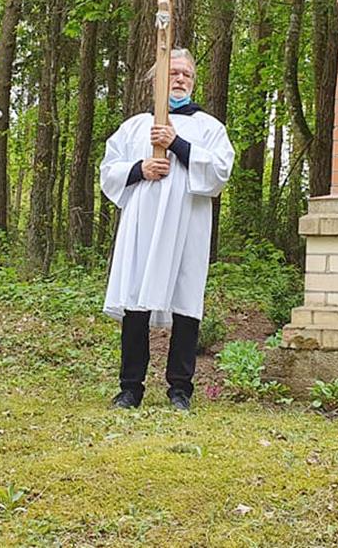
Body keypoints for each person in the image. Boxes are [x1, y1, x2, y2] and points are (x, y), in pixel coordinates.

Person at [99, 49, 235, 411]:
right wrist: (139, 169)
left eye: (186, 75)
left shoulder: (209, 127)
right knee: (136, 298)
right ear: (157, 79)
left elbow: (220, 172)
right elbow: (109, 170)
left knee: (185, 302)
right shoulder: (134, 126)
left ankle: (180, 389)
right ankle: (130, 387)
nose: (179, 79)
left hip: (187, 223)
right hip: (143, 222)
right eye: (172, 73)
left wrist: (177, 143)